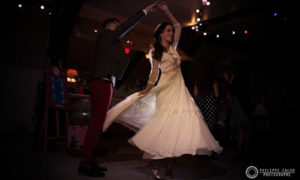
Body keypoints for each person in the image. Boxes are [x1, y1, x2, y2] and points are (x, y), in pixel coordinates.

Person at [103, 3, 222, 179]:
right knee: (167, 129)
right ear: (160, 34)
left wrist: (166, 10)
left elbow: (178, 26)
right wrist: (147, 89)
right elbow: (153, 74)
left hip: (180, 91)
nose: (171, 33)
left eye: (170, 31)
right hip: (166, 90)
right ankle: (159, 164)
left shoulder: (174, 47)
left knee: (177, 130)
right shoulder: (154, 51)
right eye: (167, 31)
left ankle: (167, 166)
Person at [77, 1, 163, 177]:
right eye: (116, 24)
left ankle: (90, 160)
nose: (119, 28)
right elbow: (128, 23)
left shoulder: (111, 43)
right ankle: (85, 163)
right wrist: (146, 10)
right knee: (96, 125)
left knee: (98, 124)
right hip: (101, 83)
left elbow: (121, 63)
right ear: (109, 25)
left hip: (106, 83)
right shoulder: (106, 35)